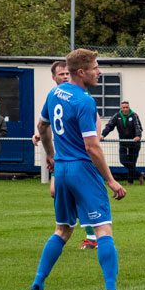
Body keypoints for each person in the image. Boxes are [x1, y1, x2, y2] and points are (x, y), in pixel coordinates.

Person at [27, 48, 127, 290]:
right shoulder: (84, 101)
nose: (99, 72)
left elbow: (41, 126)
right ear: (81, 72)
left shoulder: (54, 93)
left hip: (61, 170)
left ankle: (37, 287)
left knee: (62, 229)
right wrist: (111, 180)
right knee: (104, 229)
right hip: (82, 170)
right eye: (95, 68)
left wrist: (50, 155)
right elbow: (91, 146)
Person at [33, 61, 99, 248]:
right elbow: (48, 123)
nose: (64, 77)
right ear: (54, 78)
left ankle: (92, 235)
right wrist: (40, 136)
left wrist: (95, 143)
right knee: (57, 192)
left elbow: (93, 123)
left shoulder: (81, 97)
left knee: (73, 194)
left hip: (76, 159)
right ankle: (81, 231)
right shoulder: (54, 96)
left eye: (65, 74)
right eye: (60, 74)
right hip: (60, 157)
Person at [101, 100, 143, 184]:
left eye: (127, 107)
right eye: (123, 107)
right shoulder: (117, 116)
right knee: (123, 160)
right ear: (121, 108)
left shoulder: (134, 115)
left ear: (129, 108)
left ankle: (130, 182)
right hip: (123, 142)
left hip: (134, 142)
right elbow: (109, 126)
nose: (125, 109)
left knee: (132, 162)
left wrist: (138, 136)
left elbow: (138, 127)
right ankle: (139, 175)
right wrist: (103, 135)